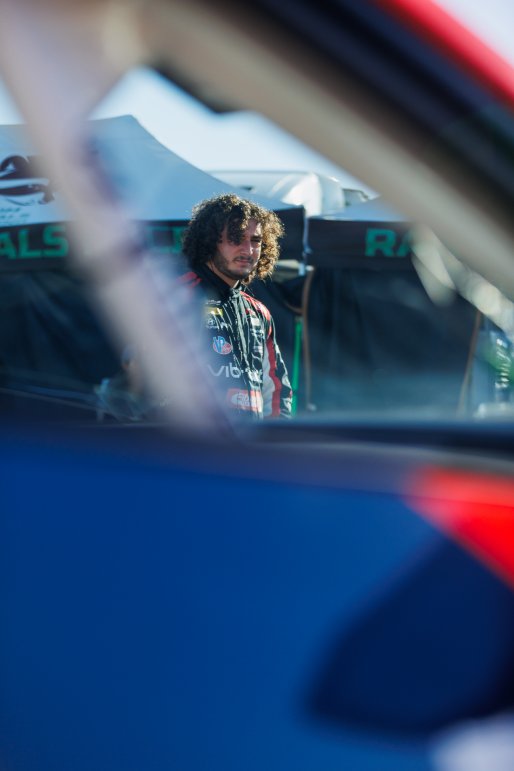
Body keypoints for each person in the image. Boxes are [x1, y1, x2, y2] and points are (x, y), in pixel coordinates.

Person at [180, 193, 292, 420]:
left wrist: (275, 443)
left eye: (256, 241)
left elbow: (277, 391)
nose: (248, 250)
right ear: (210, 240)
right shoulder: (180, 297)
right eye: (236, 238)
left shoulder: (259, 313)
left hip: (247, 450)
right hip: (190, 447)